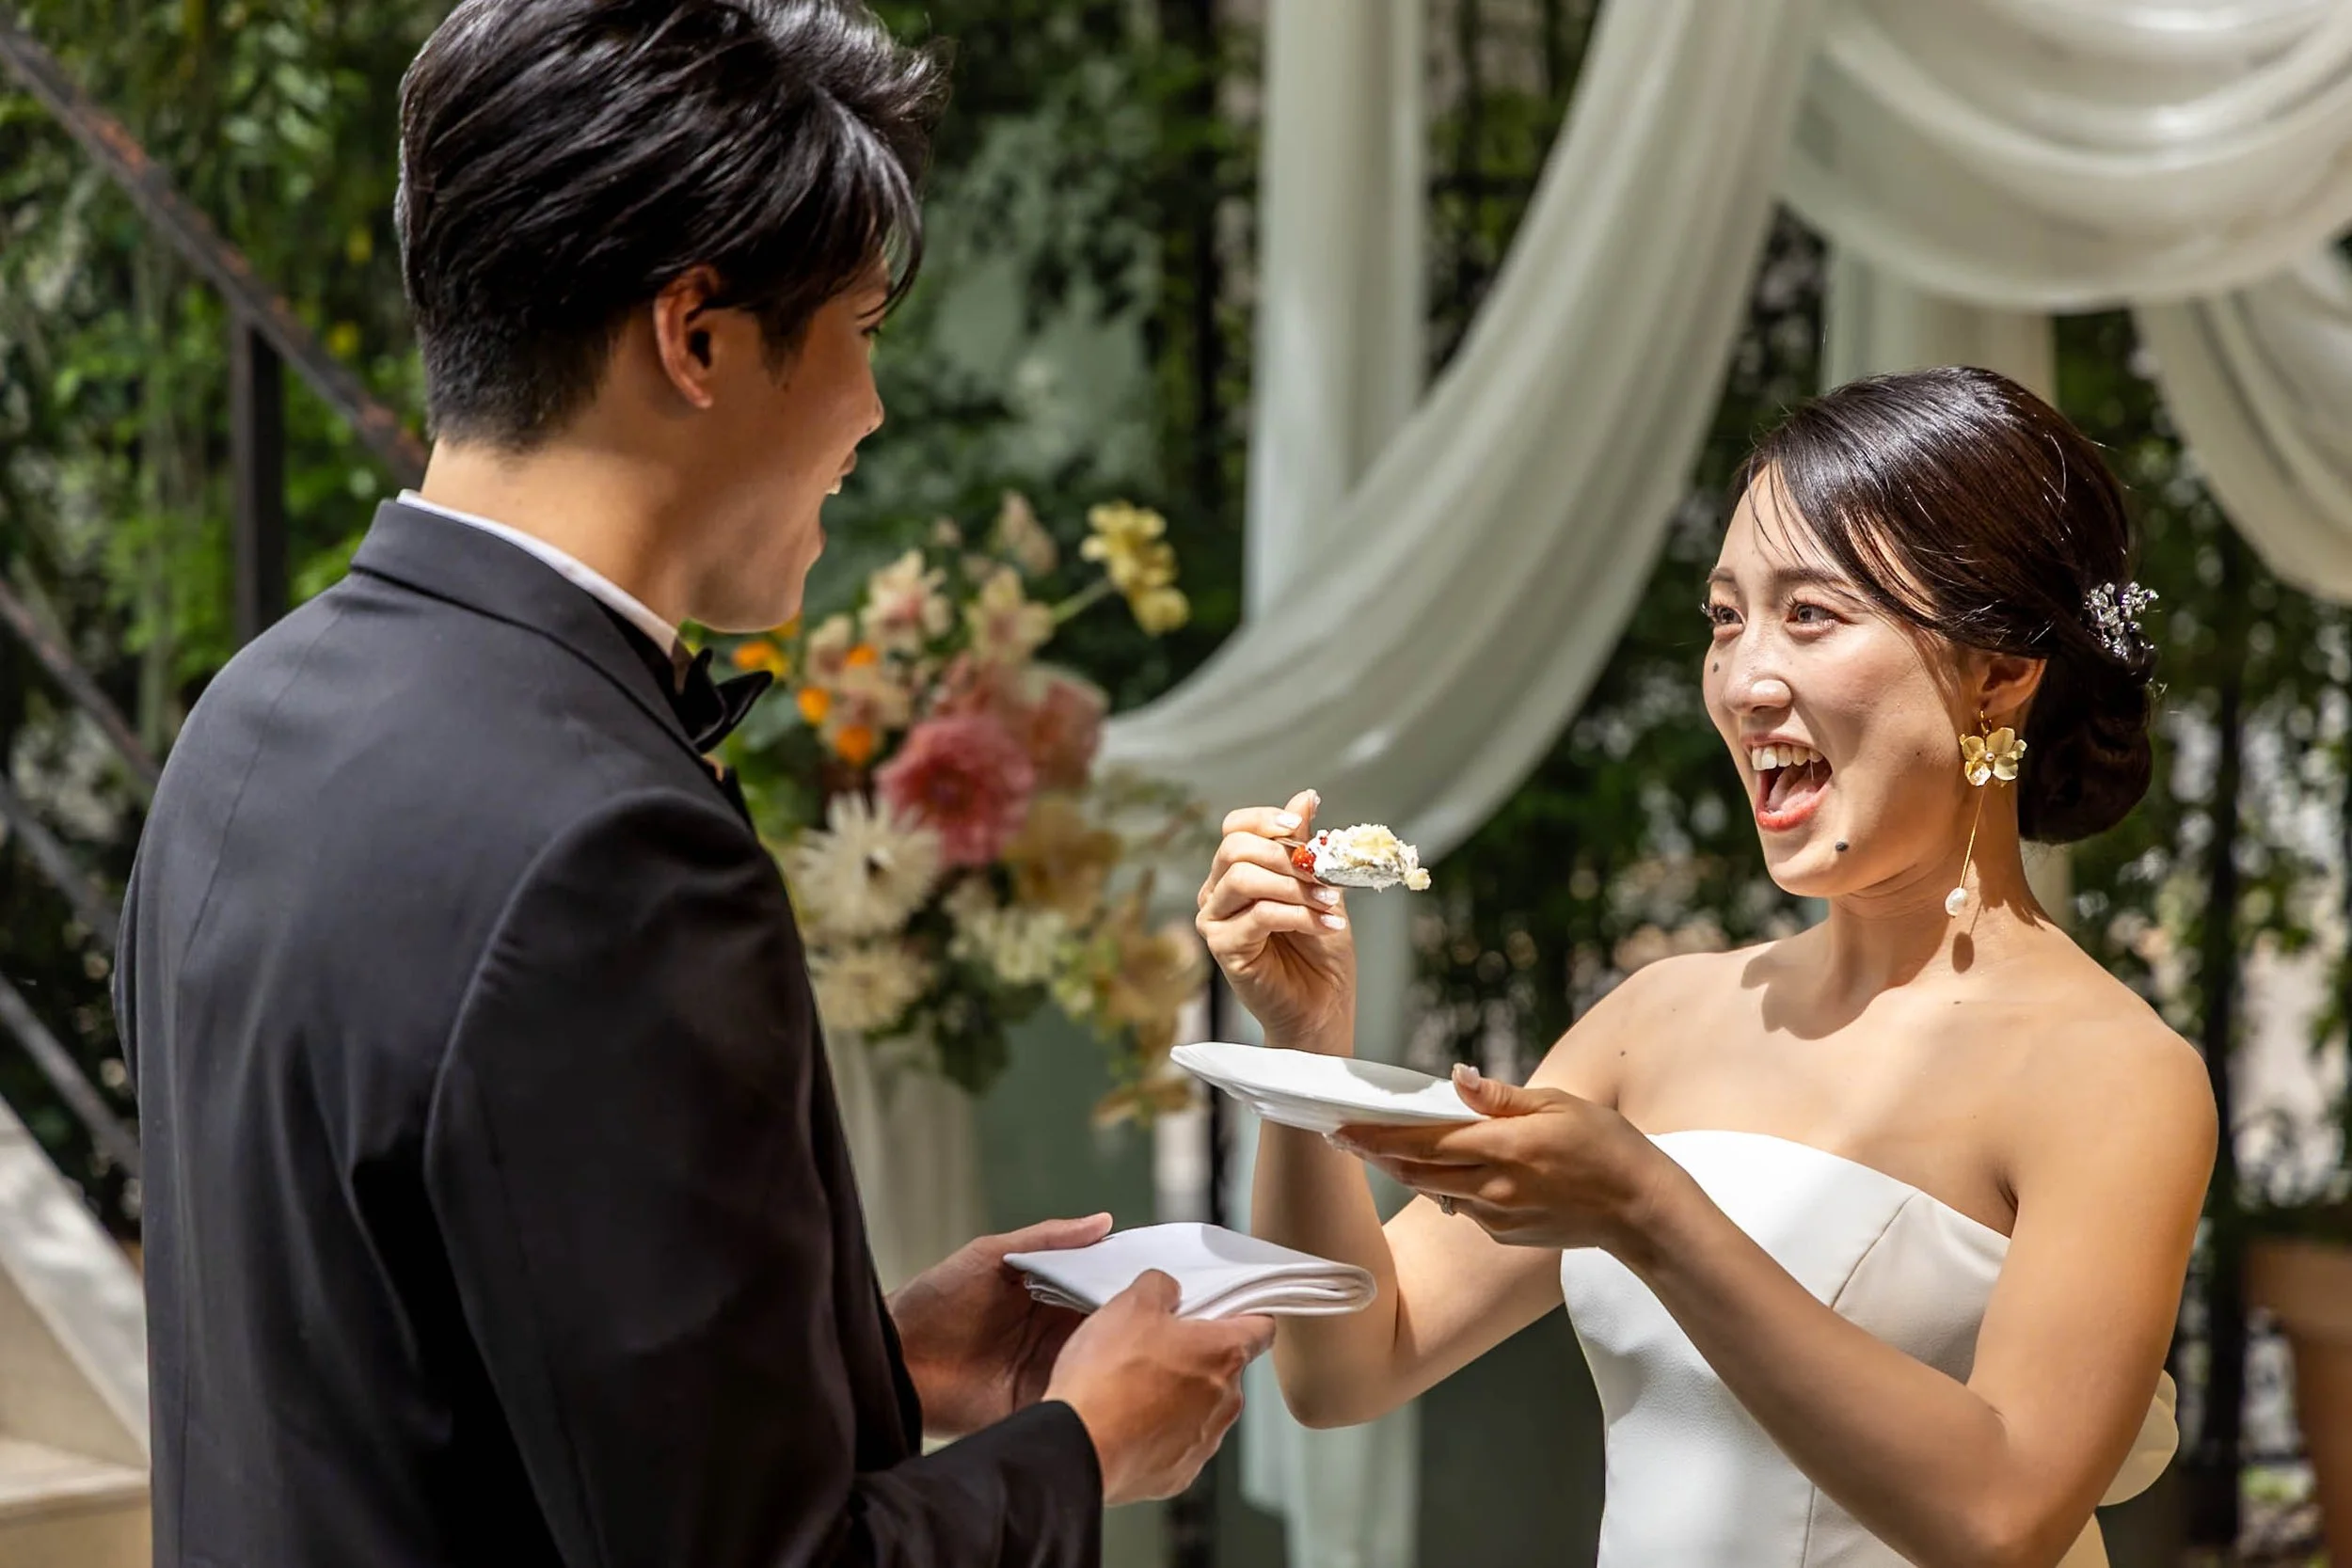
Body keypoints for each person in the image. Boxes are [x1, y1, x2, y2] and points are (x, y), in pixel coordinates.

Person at [116, 3, 1267, 1563]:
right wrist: (1079, 1448)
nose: (867, 415)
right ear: (698, 331)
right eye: (863, 331)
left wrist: (863, 1354)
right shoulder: (608, 844)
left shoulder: (250, 715)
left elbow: (413, 1365)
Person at [1197, 366, 2217, 1566]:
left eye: (1812, 615)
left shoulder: (2113, 1075)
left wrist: (1649, 1209)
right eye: (1726, 617)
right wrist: (1306, 1048)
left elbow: (2000, 1516)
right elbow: (1348, 1362)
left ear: (1998, 671)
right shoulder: (1659, 1018)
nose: (1743, 680)